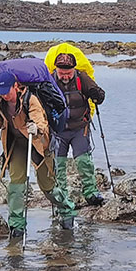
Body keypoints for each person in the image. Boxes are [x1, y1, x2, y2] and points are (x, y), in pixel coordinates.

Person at [0, 71, 75, 235]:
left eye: (6, 92)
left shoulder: (30, 99)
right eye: (0, 93)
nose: (4, 96)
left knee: (48, 186)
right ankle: (16, 225)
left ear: (15, 86)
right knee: (16, 185)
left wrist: (36, 128)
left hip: (37, 143)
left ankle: (66, 210)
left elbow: (42, 123)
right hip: (16, 144)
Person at [50, 52, 106, 214]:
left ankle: (91, 193)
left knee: (83, 161)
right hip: (57, 131)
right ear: (56, 69)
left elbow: (100, 96)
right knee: (58, 166)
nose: (65, 76)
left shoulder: (82, 78)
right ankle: (61, 198)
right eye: (62, 73)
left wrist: (97, 95)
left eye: (68, 73)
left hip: (79, 128)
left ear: (74, 69)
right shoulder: (50, 81)